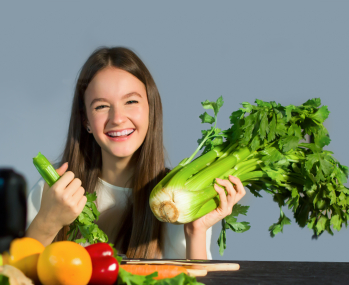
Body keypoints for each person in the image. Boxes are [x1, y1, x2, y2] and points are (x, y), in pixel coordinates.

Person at [25, 47, 246, 259]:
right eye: (101, 106)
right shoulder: (53, 191)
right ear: (86, 121)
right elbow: (11, 275)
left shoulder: (177, 201)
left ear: (151, 110)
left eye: (131, 101)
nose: (118, 118)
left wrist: (196, 231)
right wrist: (48, 220)